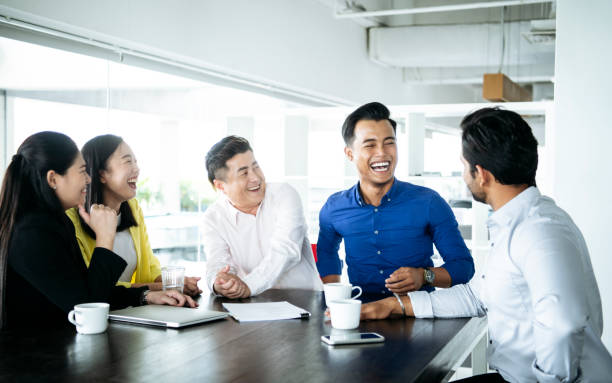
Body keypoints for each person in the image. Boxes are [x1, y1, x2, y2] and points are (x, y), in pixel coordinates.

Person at [359, 108, 612, 382]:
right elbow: (476, 296)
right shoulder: (517, 223)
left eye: (463, 165)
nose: (463, 175)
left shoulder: (539, 230)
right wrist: (397, 305)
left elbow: (563, 324)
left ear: (480, 173)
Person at [0, 132, 196, 329]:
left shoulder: (54, 223)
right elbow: (88, 304)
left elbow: (91, 288)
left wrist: (146, 295)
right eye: (82, 171)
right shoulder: (31, 233)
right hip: (36, 355)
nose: (87, 179)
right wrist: (104, 237)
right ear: (53, 179)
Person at [316, 102, 474, 298]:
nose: (382, 152)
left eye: (389, 142)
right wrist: (336, 299)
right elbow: (327, 255)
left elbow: (464, 267)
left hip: (417, 315)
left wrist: (425, 275)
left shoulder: (429, 202)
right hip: (362, 314)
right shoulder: (334, 208)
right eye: (370, 145)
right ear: (350, 154)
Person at [66, 135, 202, 296]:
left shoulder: (133, 208)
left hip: (136, 312)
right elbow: (99, 286)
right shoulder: (72, 219)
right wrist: (164, 287)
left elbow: (151, 269)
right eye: (128, 161)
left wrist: (178, 283)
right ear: (101, 174)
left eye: (136, 162)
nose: (137, 169)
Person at [202, 136, 323, 298]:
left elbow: (286, 250)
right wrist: (220, 282)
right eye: (244, 173)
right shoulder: (213, 218)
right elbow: (217, 262)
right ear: (221, 186)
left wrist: (249, 285)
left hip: (304, 302)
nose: (256, 178)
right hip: (253, 305)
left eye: (256, 167)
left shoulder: (284, 194)